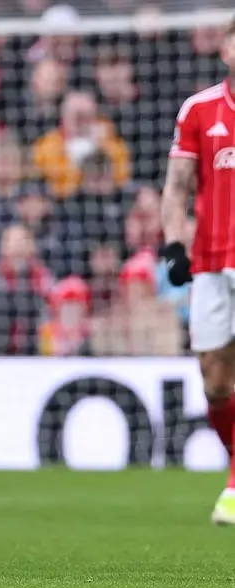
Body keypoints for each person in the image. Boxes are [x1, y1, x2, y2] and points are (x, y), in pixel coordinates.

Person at [161, 17, 235, 524]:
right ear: (225, 49)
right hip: (211, 258)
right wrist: (174, 243)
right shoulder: (200, 109)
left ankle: (233, 485)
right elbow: (177, 186)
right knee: (213, 377)